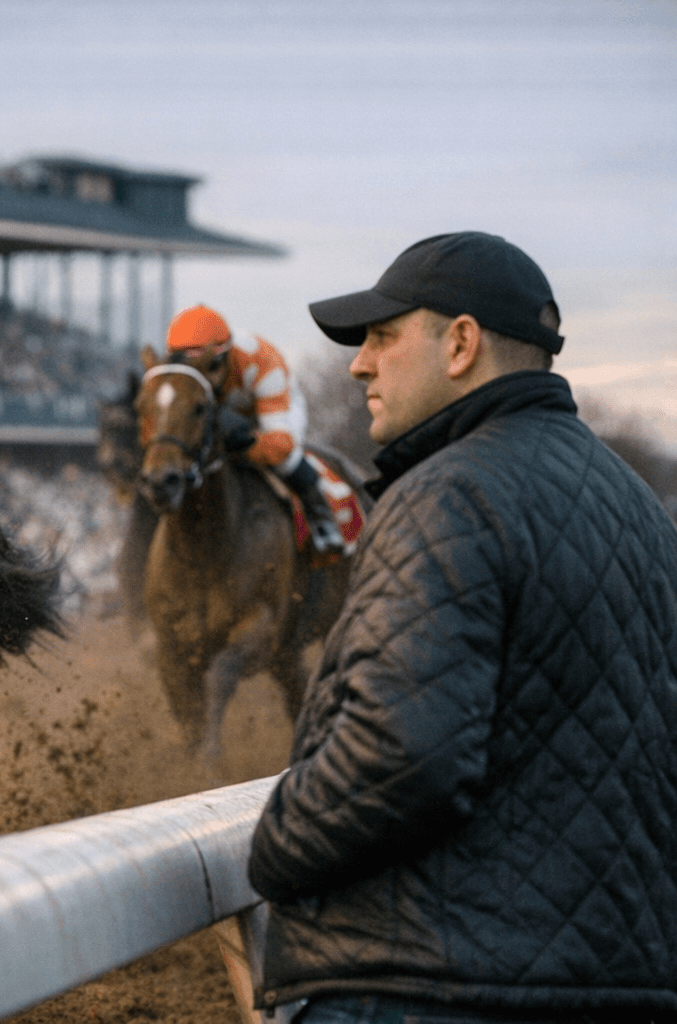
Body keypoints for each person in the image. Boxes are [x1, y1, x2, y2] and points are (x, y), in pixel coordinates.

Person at [247, 232, 677, 1022]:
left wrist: (270, 850)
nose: (359, 364)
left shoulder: (448, 493)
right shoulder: (641, 510)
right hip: (620, 983)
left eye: (382, 336)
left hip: (426, 984)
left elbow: (398, 759)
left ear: (461, 344)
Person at [163, 304, 345, 552]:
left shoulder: (262, 362)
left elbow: (280, 445)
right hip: (224, 413)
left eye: (212, 367)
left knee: (287, 458)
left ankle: (320, 517)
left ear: (226, 355)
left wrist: (245, 441)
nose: (206, 379)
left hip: (269, 412)